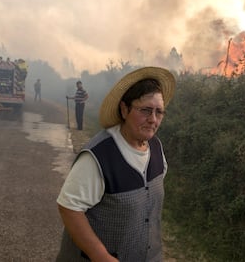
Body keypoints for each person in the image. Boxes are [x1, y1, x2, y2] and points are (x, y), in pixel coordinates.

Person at [56, 66, 176, 262]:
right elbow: (69, 208)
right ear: (124, 109)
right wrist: (100, 255)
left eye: (159, 112)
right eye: (145, 110)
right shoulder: (99, 156)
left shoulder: (156, 148)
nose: (153, 119)